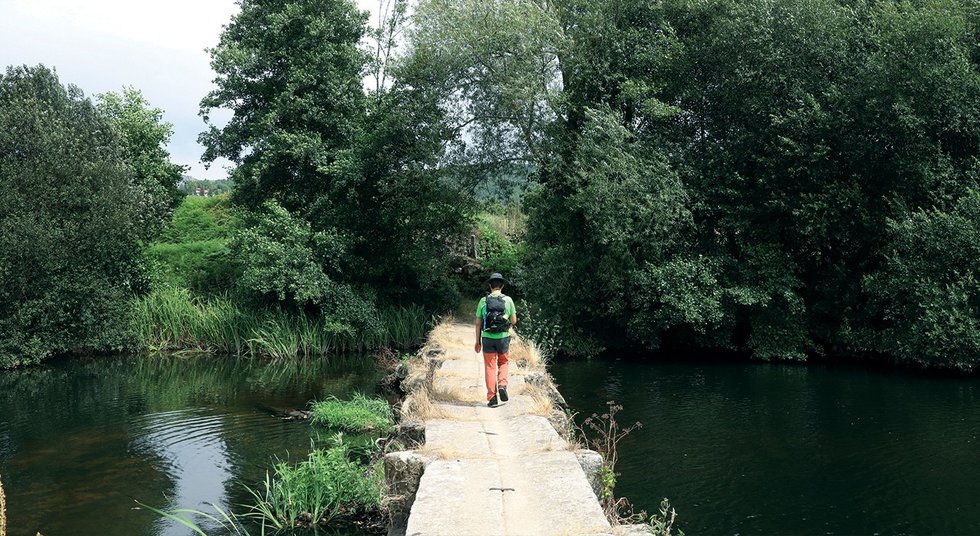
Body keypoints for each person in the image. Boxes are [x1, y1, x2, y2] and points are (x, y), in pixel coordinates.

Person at [474, 272, 518, 407]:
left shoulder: (483, 301)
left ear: (490, 286)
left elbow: (478, 323)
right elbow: (514, 321)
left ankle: (492, 398)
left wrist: (477, 341)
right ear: (502, 286)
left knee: (490, 367)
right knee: (503, 362)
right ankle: (502, 385)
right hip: (503, 338)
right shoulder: (508, 300)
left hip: (487, 338)